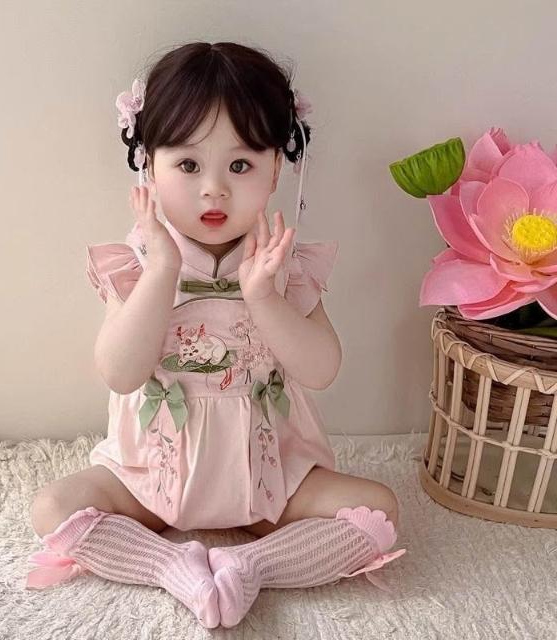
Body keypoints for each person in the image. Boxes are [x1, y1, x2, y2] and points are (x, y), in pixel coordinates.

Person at [26, 41, 405, 629]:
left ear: (276, 167)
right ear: (148, 166)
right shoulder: (135, 264)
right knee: (53, 508)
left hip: (272, 480)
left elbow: (321, 369)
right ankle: (169, 564)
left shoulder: (286, 264)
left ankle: (250, 565)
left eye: (240, 165)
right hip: (149, 480)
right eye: (187, 165)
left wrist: (264, 297)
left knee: (376, 511)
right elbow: (120, 373)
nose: (214, 189)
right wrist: (162, 271)